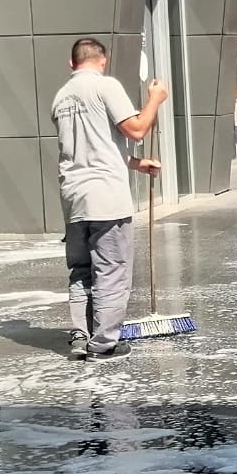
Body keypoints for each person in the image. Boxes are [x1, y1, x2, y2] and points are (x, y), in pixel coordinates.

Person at [51, 37, 165, 360]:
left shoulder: (60, 98)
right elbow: (138, 129)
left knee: (80, 270)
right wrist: (155, 98)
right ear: (103, 61)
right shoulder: (105, 87)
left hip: (73, 199)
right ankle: (103, 343)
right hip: (107, 199)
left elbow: (89, 148)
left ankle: (80, 336)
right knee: (111, 270)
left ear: (71, 63)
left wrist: (137, 164)